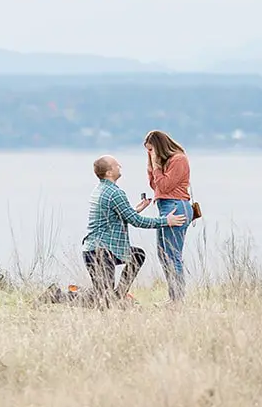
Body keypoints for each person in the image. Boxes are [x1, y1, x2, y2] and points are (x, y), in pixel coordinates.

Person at [82, 155, 185, 306]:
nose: (120, 166)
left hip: (99, 250)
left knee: (137, 255)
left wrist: (136, 210)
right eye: (116, 165)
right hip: (101, 252)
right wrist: (166, 221)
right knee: (103, 301)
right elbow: (137, 222)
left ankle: (119, 295)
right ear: (109, 173)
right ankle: (56, 296)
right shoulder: (114, 193)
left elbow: (116, 217)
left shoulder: (101, 190)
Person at [145, 129, 193, 302]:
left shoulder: (178, 159)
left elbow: (164, 186)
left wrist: (156, 167)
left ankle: (177, 299)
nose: (149, 154)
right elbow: (155, 186)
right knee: (163, 254)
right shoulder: (164, 163)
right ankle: (174, 297)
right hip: (166, 206)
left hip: (175, 206)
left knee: (172, 255)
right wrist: (151, 167)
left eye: (151, 150)